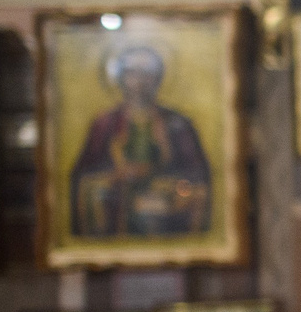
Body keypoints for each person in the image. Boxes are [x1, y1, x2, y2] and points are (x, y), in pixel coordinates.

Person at [69, 45, 211, 238]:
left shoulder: (178, 124)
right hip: (116, 211)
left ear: (158, 79)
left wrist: (167, 183)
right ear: (121, 78)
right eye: (132, 73)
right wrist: (116, 176)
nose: (139, 82)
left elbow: (198, 176)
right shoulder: (105, 124)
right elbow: (83, 177)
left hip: (165, 214)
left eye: (147, 74)